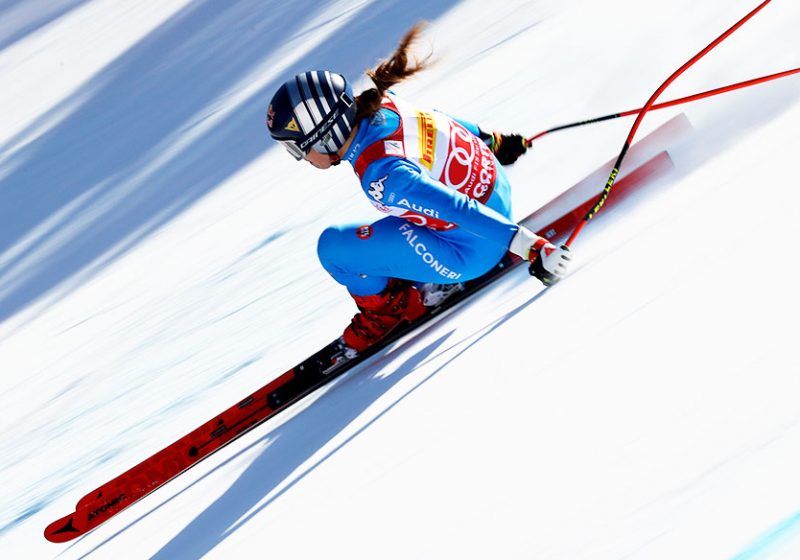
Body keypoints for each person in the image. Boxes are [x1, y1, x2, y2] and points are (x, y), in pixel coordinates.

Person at [266, 23, 571, 354]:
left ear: (326, 134)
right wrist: (492, 141)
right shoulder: (385, 104)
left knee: (333, 249)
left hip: (474, 251)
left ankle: (389, 312)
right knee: (397, 218)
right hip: (498, 189)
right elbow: (440, 121)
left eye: (297, 147)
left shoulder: (382, 175)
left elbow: (457, 209)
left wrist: (532, 247)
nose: (300, 158)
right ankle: (403, 273)